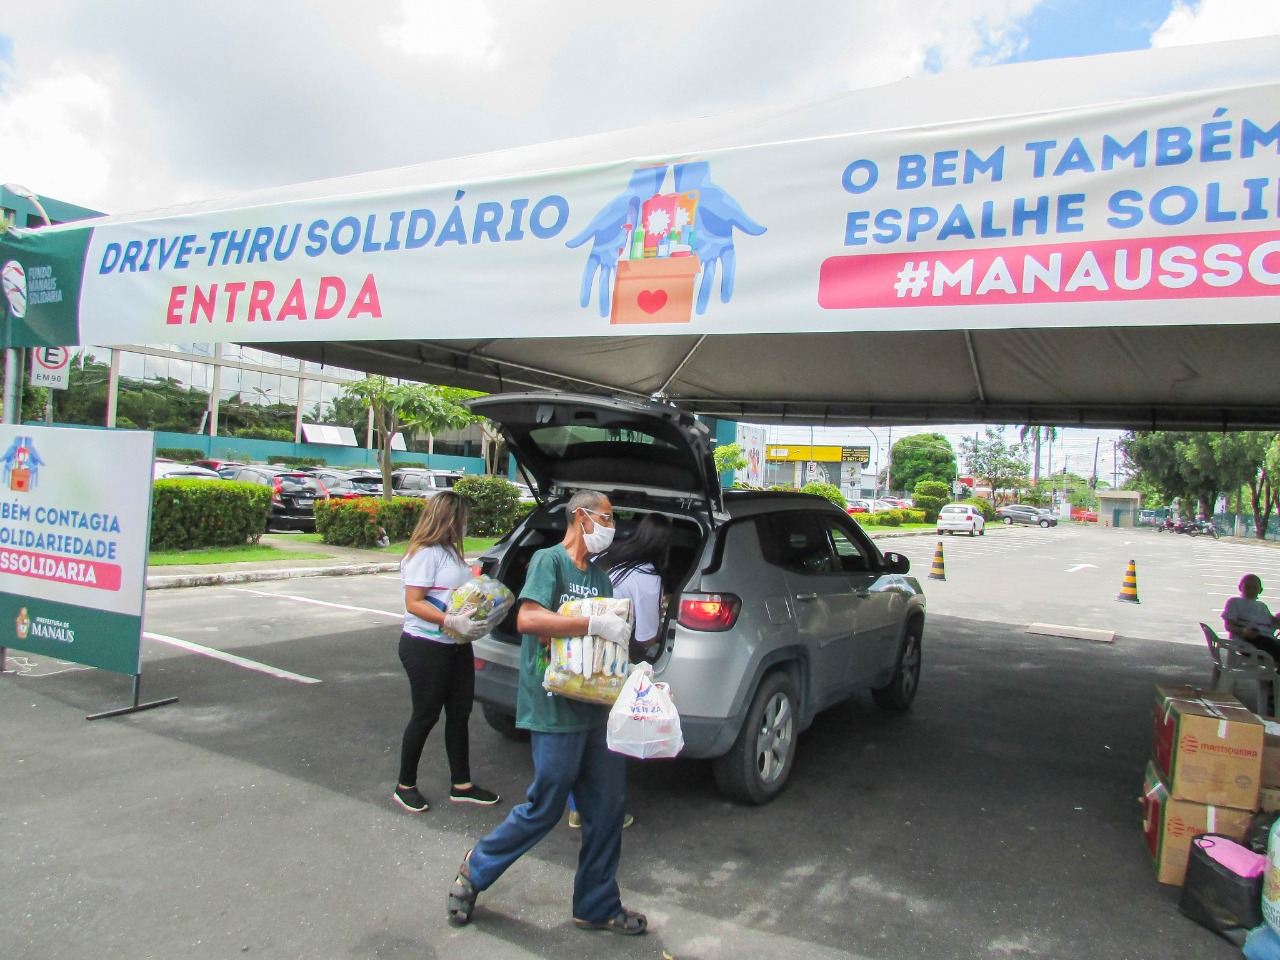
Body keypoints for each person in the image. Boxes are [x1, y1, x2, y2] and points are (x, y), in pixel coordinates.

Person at [446, 490, 648, 936]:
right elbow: (529, 621)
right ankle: (474, 869)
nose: (612, 527)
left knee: (606, 808)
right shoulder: (548, 562)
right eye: (607, 518)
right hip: (554, 708)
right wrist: (591, 623)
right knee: (545, 806)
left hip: (596, 709)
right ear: (581, 516)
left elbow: (604, 643)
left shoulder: (601, 578)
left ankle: (596, 905)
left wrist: (632, 672)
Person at [392, 491, 498, 814]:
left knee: (460, 713)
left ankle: (461, 784)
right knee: (425, 715)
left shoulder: (450, 552)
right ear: (448, 519)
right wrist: (449, 619)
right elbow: (414, 603)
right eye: (462, 519)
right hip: (426, 646)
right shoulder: (425, 553)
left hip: (456, 646)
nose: (466, 525)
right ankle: (404, 785)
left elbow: (452, 592)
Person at [567, 512, 674, 830]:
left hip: (579, 649)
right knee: (610, 739)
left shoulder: (605, 556)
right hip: (612, 661)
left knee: (582, 732)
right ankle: (603, 810)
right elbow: (646, 637)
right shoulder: (648, 578)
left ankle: (575, 806)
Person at [1222, 574, 1280, 661]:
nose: (1251, 591)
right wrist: (1244, 631)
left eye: (1254, 588)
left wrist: (1277, 619)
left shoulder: (1262, 606)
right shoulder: (1235, 602)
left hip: (1267, 638)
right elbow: (1229, 625)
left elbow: (1273, 622)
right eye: (1248, 587)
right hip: (1249, 641)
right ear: (1240, 587)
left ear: (1260, 590)